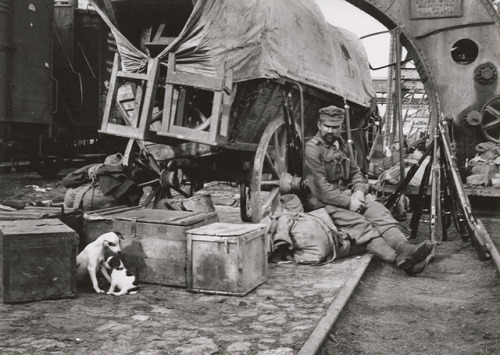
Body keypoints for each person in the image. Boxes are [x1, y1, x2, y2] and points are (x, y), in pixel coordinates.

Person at [304, 105, 434, 275]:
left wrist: (358, 192)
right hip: (321, 202)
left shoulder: (341, 146)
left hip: (346, 194)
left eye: (335, 127)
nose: (330, 130)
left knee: (378, 211)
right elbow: (320, 188)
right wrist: (349, 202)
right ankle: (400, 261)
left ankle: (405, 248)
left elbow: (356, 172)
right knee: (360, 224)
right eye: (327, 126)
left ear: (341, 127)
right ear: (319, 125)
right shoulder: (312, 148)